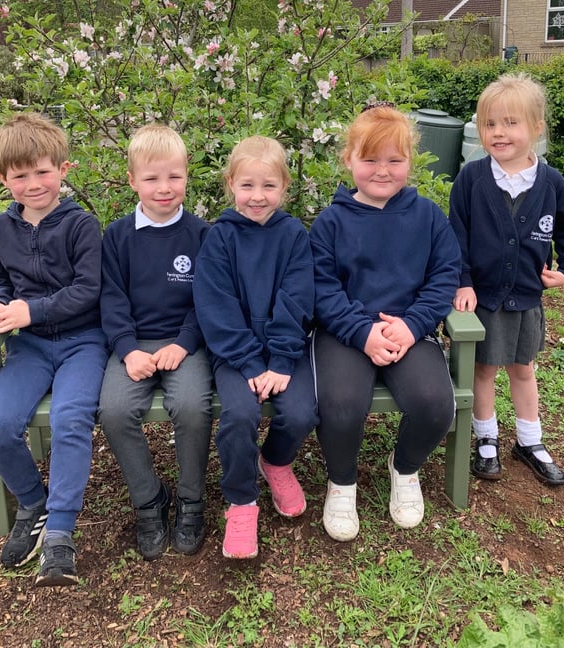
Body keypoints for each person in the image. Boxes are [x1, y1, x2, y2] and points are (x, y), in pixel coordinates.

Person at [309, 103, 462, 542]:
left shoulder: (429, 217)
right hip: (344, 332)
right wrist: (363, 332)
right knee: (339, 403)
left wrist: (413, 326)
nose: (382, 170)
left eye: (395, 160)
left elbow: (443, 277)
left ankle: (405, 468)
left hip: (408, 329)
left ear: (410, 161)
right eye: (370, 159)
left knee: (435, 404)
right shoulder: (331, 222)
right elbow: (322, 289)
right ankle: (342, 482)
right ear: (349, 160)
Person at [0, 112, 108, 586]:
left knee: (71, 419)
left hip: (83, 343)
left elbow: (88, 289)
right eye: (20, 175)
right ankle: (33, 502)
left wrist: (29, 310)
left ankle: (59, 531)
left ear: (63, 169)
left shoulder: (80, 225)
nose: (33, 184)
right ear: (2, 178)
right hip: (29, 348)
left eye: (42, 171)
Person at [449, 72, 564, 486]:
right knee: (485, 370)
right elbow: (455, 235)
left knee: (523, 369)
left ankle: (529, 440)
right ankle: (486, 438)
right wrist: (463, 280)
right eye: (490, 124)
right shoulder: (471, 180)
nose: (499, 132)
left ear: (536, 129)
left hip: (527, 298)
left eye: (511, 123)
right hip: (485, 300)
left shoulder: (551, 183)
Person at [193, 136, 319, 559]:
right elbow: (216, 306)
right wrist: (248, 362)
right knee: (240, 413)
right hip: (235, 354)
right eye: (247, 185)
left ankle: (276, 462)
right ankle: (242, 500)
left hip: (284, 352)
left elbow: (297, 297)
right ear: (231, 184)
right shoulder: (219, 238)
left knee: (301, 412)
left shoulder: (294, 236)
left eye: (268, 186)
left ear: (285, 186)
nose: (257, 196)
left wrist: (282, 359)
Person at [98, 125, 213, 560]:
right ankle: (150, 501)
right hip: (133, 345)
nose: (164, 188)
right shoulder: (118, 237)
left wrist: (183, 344)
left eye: (174, 177)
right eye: (151, 178)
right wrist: (128, 349)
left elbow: (209, 300)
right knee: (113, 408)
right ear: (132, 181)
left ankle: (191, 500)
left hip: (186, 344)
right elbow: (110, 299)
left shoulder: (203, 235)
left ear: (187, 176)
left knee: (189, 406)